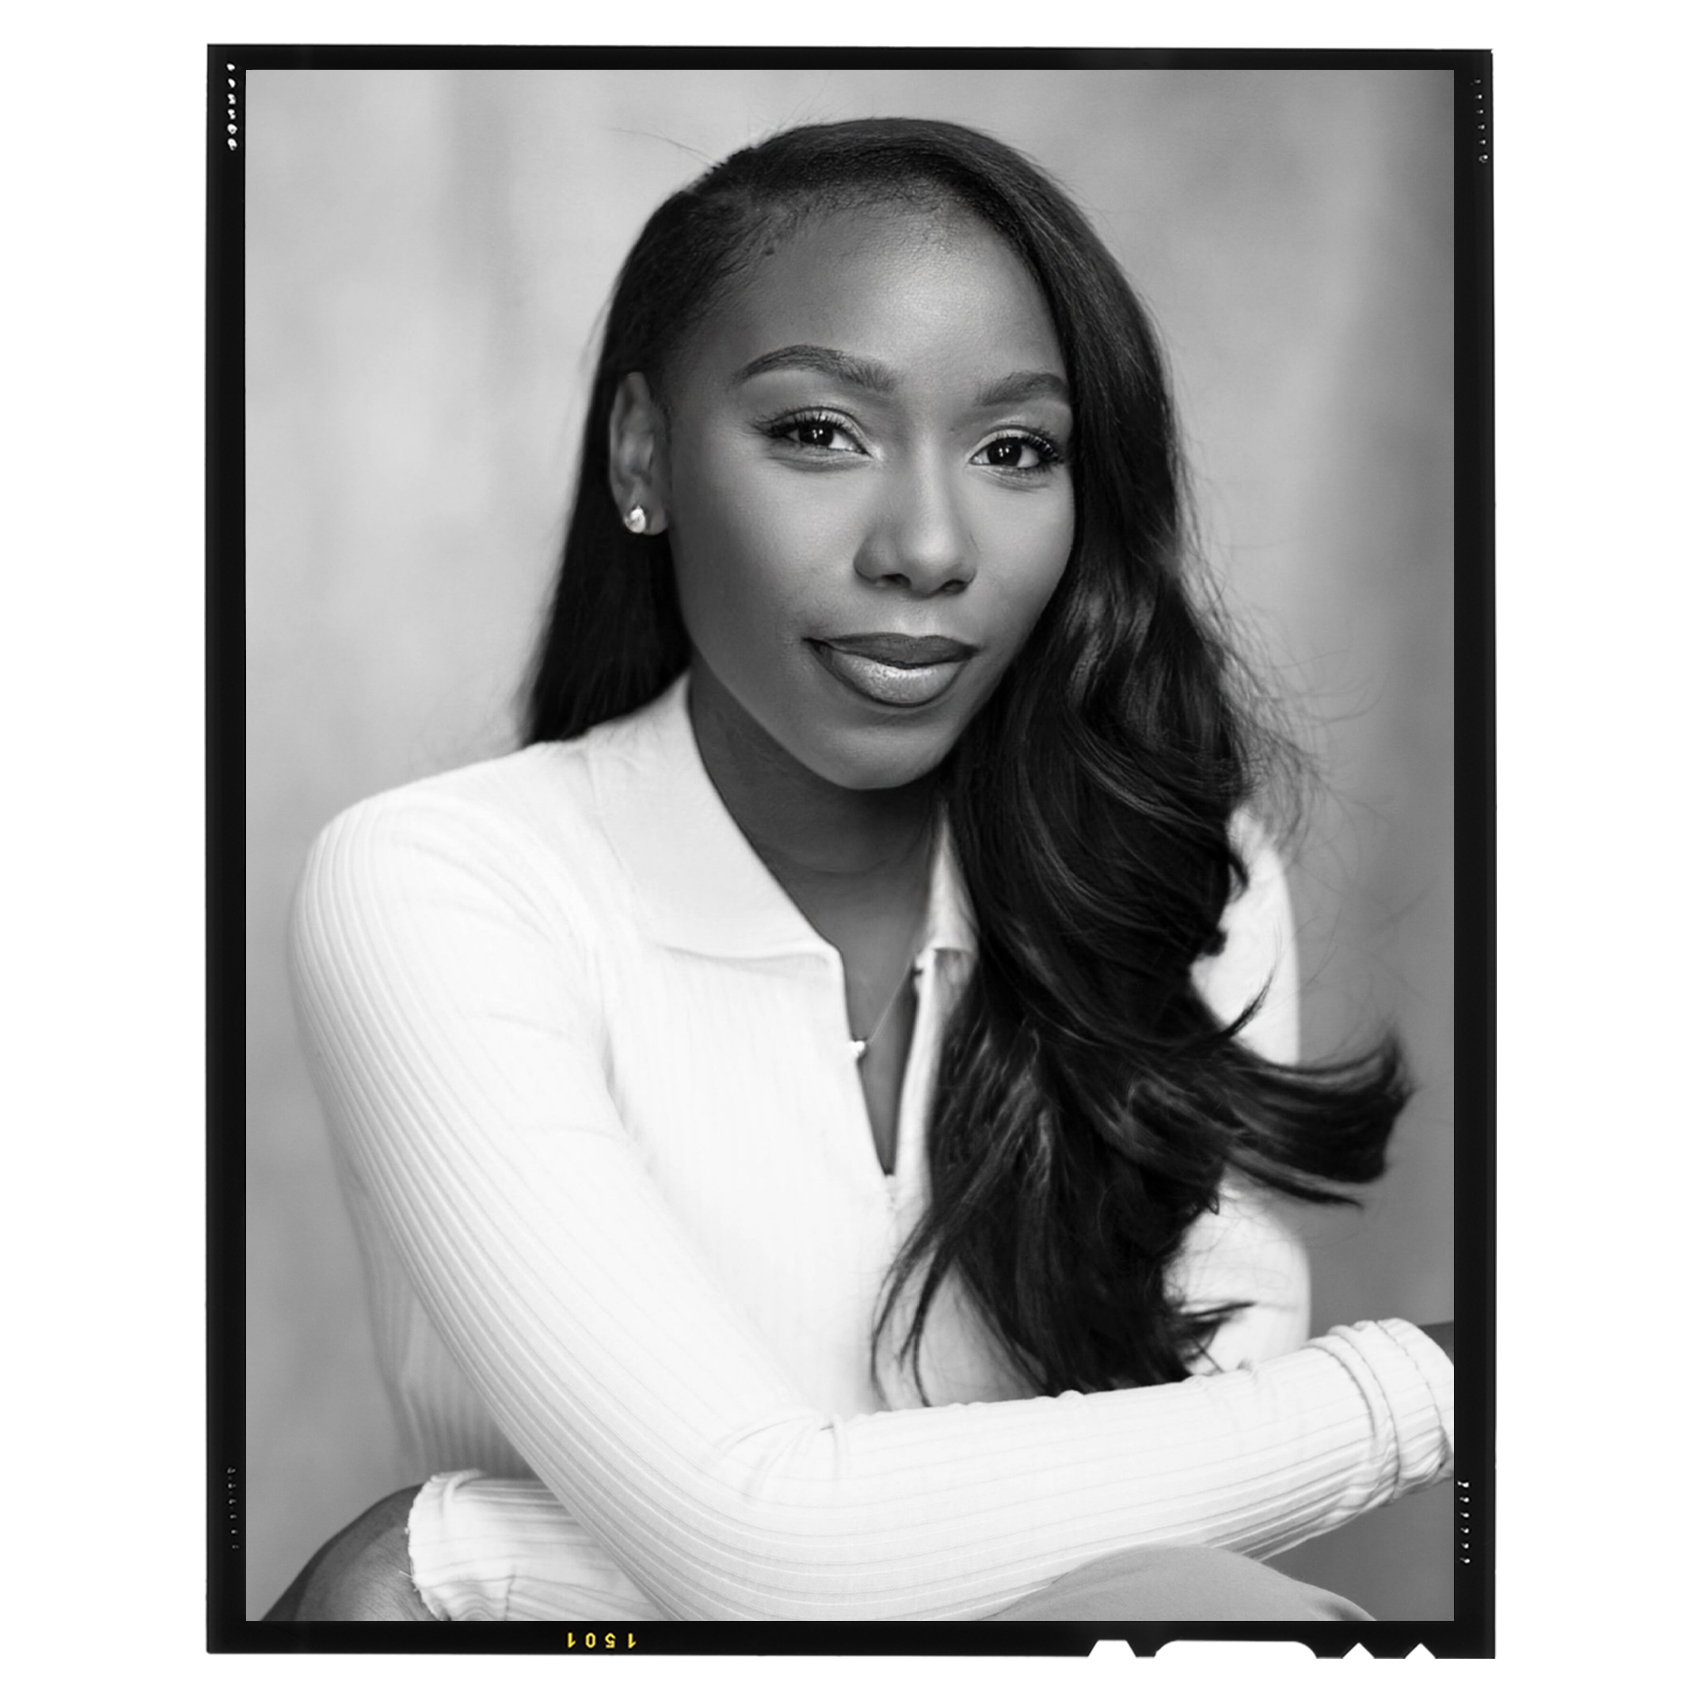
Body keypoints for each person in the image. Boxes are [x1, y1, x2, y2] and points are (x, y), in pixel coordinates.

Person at [272, 117, 1453, 1623]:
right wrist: (1447, 1389)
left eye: (1016, 450)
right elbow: (757, 1542)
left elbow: (1193, 1528)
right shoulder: (445, 885)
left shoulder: (1177, 883)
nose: (928, 544)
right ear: (645, 452)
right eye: (820, 431)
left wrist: (450, 1559)